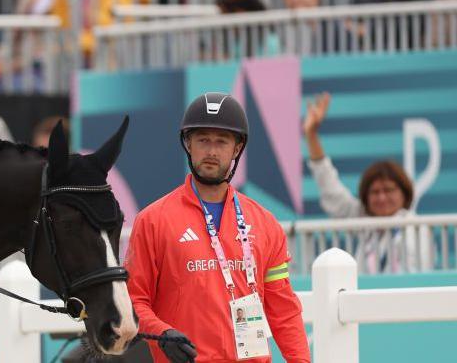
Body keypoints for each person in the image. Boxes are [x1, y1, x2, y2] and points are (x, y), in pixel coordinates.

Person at [126, 92, 309, 363]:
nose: (211, 151)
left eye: (221, 141)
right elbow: (133, 303)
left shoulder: (266, 224)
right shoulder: (152, 221)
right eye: (203, 140)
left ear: (237, 149)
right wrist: (161, 332)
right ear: (188, 144)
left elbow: (284, 311)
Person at [302, 92, 432, 272]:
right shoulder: (363, 219)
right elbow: (331, 189)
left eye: (388, 190)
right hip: (362, 299)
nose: (382, 197)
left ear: (404, 193)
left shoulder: (416, 229)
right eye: (375, 192)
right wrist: (311, 134)